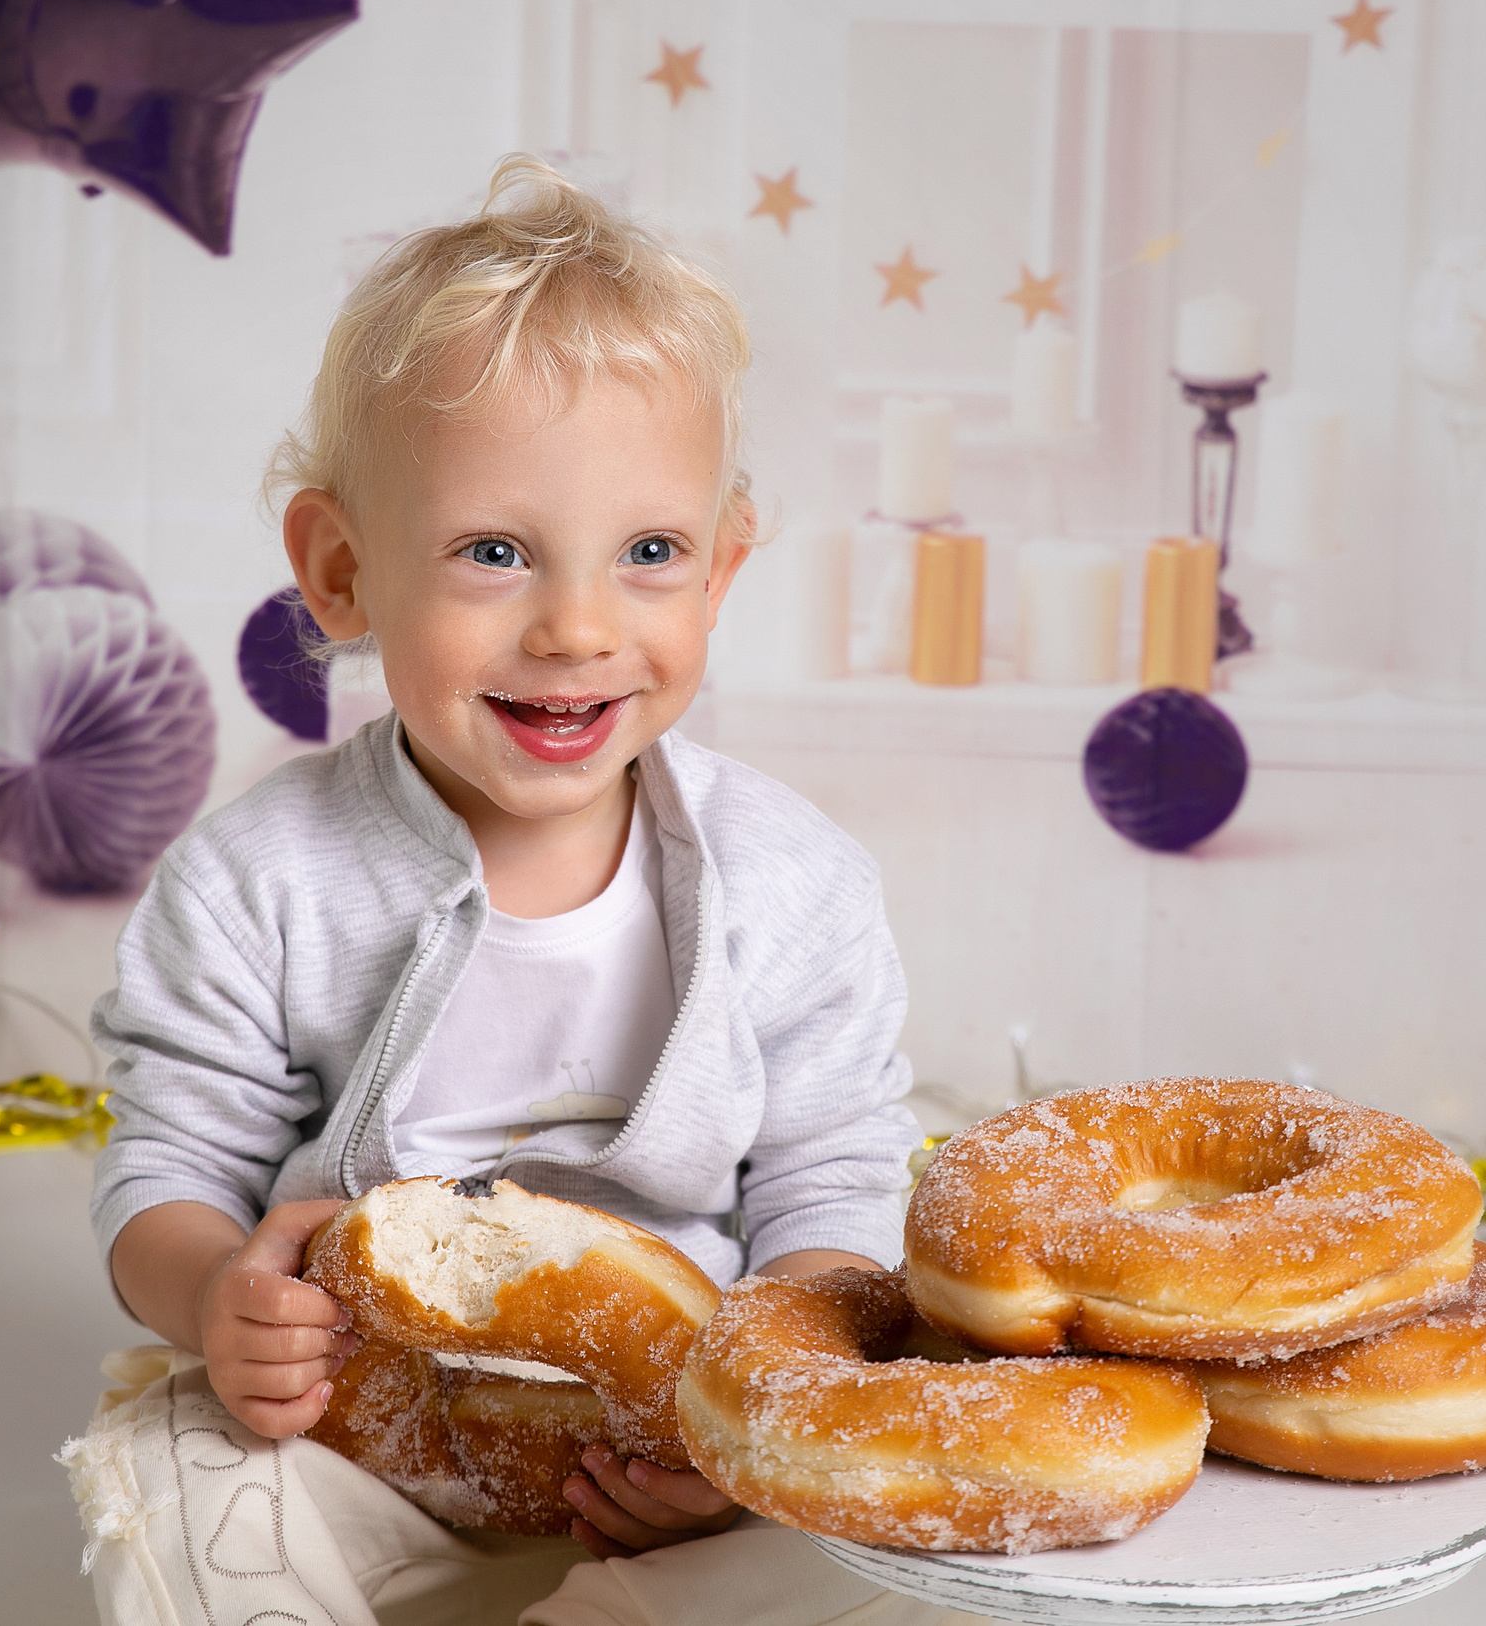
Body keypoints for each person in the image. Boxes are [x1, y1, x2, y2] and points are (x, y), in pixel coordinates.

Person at [67, 156, 965, 1626]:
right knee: (173, 1484)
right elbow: (169, 1168)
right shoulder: (256, 880)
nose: (577, 625)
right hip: (354, 1439)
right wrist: (217, 1299)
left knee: (916, 1543)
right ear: (343, 571)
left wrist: (754, 1425)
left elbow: (833, 1182)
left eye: (650, 553)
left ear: (723, 569)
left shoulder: (791, 883)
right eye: (494, 552)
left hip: (675, 1465)